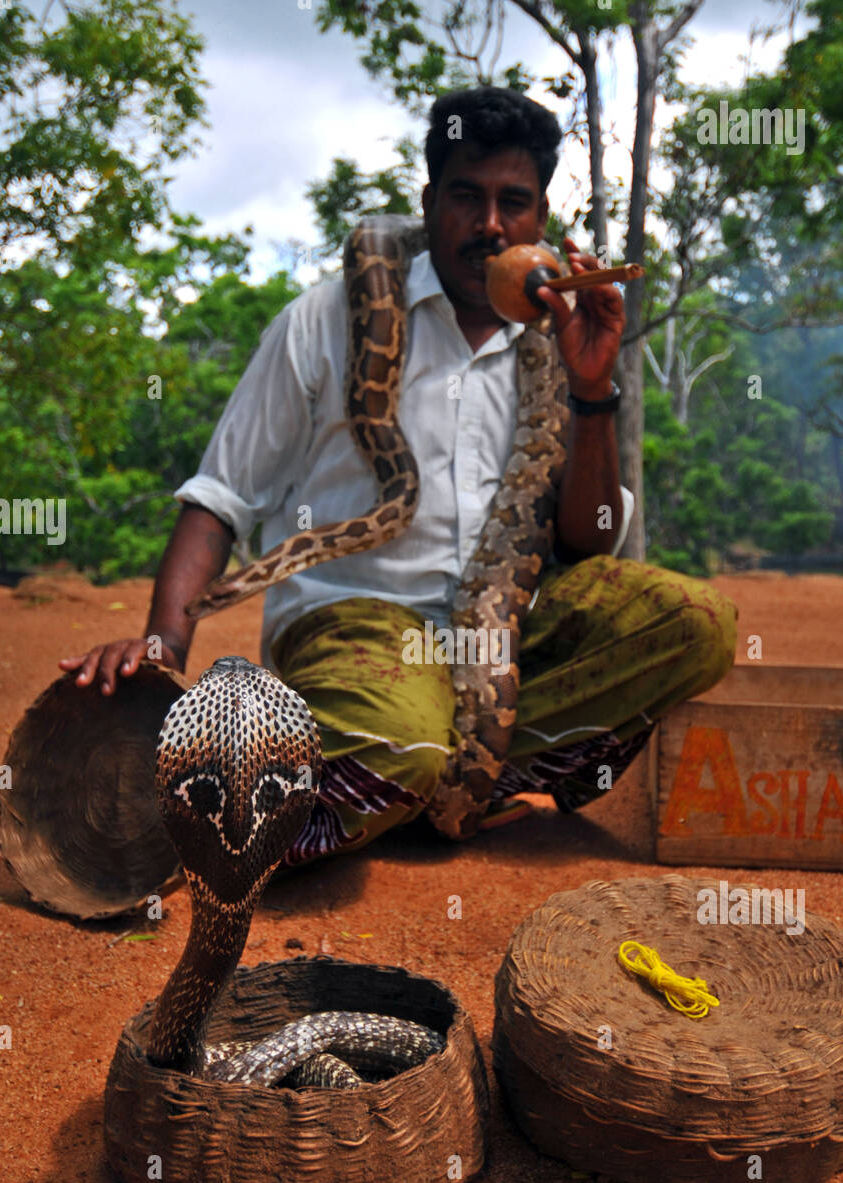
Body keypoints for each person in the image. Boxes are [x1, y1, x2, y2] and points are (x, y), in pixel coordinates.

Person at [60, 86, 737, 861]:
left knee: (697, 625)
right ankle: (287, 789)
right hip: (359, 623)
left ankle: (424, 780)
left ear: (540, 218)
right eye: (466, 197)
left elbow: (592, 540)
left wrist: (591, 391)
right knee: (401, 736)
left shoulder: (560, 332)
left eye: (512, 202)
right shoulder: (324, 320)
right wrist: (163, 653)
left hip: (501, 642)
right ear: (429, 202)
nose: (489, 224)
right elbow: (220, 497)